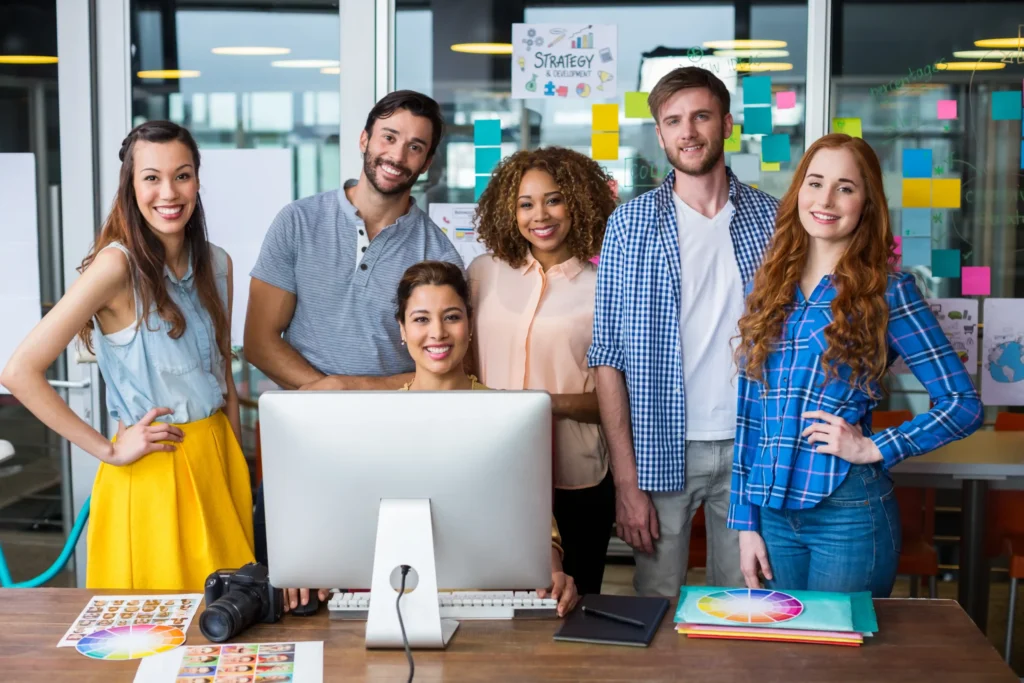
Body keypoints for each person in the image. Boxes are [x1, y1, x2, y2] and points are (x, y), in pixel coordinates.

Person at [0, 121, 254, 590]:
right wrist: (109, 450)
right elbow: (19, 372)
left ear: (197, 180)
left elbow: (223, 378)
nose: (169, 192)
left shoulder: (218, 264)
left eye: (182, 175)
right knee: (154, 638)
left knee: (229, 633)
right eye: (151, 177)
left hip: (220, 463)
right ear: (131, 186)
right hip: (154, 469)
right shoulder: (116, 267)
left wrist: (238, 470)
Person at [729, 134, 983, 596]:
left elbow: (962, 405)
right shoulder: (769, 285)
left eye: (845, 187)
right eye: (815, 183)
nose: (826, 200)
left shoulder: (888, 291)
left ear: (866, 203)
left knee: (839, 665)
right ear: (798, 193)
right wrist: (746, 524)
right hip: (772, 517)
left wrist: (876, 447)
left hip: (846, 513)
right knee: (785, 660)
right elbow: (751, 417)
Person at [244, 90, 463, 610]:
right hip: (300, 442)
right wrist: (326, 393)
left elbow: (440, 368)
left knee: (379, 592)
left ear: (427, 162)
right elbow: (258, 340)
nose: (397, 155)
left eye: (415, 147)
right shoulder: (297, 222)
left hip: (392, 445)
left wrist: (347, 389)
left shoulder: (437, 252)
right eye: (389, 137)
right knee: (293, 591)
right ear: (364, 139)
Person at [587, 66, 780, 597]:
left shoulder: (775, 221)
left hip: (752, 444)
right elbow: (607, 357)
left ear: (727, 124)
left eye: (700, 116)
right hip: (660, 448)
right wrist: (626, 481)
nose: (688, 131)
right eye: (673, 120)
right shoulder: (629, 226)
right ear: (660, 134)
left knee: (744, 603)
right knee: (656, 609)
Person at [469, 147, 616, 596]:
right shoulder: (482, 274)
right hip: (490, 471)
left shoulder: (606, 283)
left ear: (579, 201)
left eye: (554, 199)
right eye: (525, 204)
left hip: (577, 478)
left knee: (575, 604)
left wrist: (541, 406)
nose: (540, 215)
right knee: (492, 607)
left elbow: (618, 397)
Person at [396, 260, 579, 617]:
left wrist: (554, 570)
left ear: (469, 325)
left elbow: (537, 520)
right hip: (403, 598)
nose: (438, 332)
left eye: (451, 317)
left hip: (492, 601)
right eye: (420, 319)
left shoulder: (509, 414)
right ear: (402, 329)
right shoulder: (379, 420)